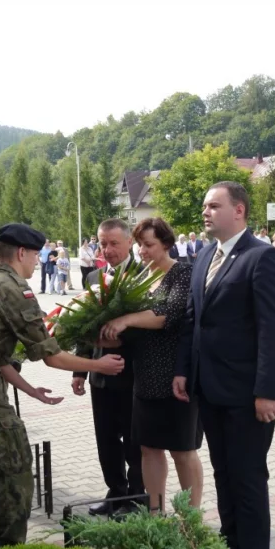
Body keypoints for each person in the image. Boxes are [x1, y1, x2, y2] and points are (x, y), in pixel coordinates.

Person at [0, 223, 125, 549]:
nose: (37, 262)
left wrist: (31, 390)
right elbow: (50, 355)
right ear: (22, 253)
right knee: (15, 472)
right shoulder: (14, 288)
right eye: (35, 255)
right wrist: (99, 365)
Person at [173, 181, 275, 549]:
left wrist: (267, 392)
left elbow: (273, 331)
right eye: (204, 205)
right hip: (209, 390)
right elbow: (193, 320)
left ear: (238, 210)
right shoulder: (205, 256)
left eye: (213, 205)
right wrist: (182, 372)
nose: (205, 212)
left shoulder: (263, 257)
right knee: (224, 474)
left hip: (247, 395)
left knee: (248, 478)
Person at [100, 217, 204, 512]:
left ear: (167, 244)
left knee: (183, 451)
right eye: (140, 245)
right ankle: (155, 514)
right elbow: (132, 333)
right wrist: (106, 336)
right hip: (144, 377)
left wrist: (125, 320)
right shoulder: (139, 278)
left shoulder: (183, 272)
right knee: (148, 449)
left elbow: (168, 314)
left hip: (177, 377)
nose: (143, 251)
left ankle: (190, 518)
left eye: (149, 245)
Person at [72, 218, 146, 517]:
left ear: (130, 242)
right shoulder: (92, 278)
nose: (108, 249)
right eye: (103, 243)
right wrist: (79, 370)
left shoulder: (144, 276)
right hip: (99, 375)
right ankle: (115, 492)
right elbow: (83, 326)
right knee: (105, 438)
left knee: (134, 439)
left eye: (114, 243)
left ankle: (137, 498)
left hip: (132, 374)